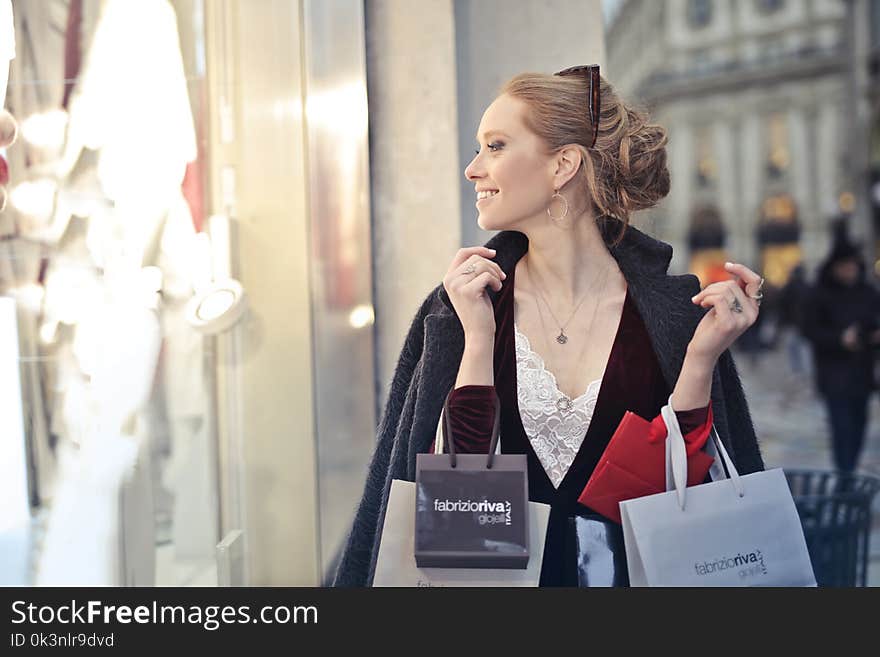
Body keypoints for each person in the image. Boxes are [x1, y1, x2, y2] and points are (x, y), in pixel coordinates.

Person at [334, 65, 765, 587]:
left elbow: (682, 493)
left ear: (563, 165)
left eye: (495, 146)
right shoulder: (461, 307)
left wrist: (701, 360)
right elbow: (454, 511)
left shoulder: (672, 314)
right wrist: (476, 342)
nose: (472, 169)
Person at [802, 236, 880, 474]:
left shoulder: (867, 292)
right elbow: (810, 329)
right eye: (845, 266)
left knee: (859, 425)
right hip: (834, 373)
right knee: (842, 427)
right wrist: (839, 339)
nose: (850, 271)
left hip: (863, 372)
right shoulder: (820, 294)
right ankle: (845, 475)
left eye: (853, 266)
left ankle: (851, 470)